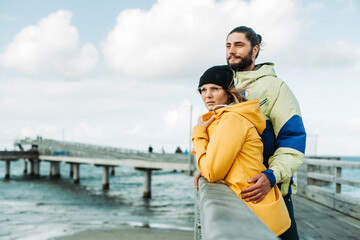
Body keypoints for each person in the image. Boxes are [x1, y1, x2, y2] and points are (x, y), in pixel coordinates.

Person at [195, 26, 306, 239]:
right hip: (236, 191)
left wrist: (272, 175)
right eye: (228, 45)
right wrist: (207, 162)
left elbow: (292, 138)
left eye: (239, 45)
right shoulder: (223, 85)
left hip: (270, 188)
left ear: (254, 50)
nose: (232, 50)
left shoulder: (275, 87)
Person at [192, 65, 290, 236]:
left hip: (260, 216)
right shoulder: (223, 118)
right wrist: (206, 165)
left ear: (229, 92)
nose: (207, 95)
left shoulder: (232, 119)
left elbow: (212, 172)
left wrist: (198, 134)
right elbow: (216, 165)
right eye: (203, 90)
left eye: (215, 88)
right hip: (254, 210)